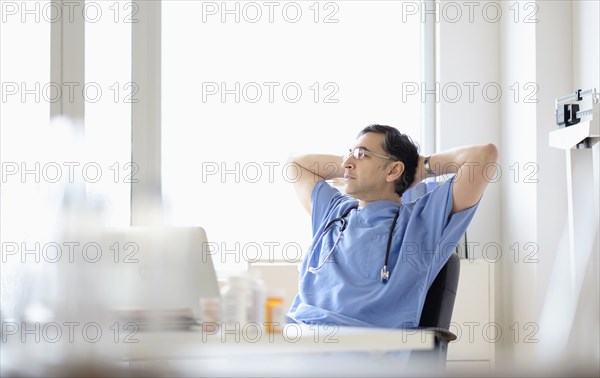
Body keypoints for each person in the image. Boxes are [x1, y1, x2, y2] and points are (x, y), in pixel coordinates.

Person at [286, 124, 498, 329]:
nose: (346, 163)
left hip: (362, 350)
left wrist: (421, 167)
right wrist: (355, 164)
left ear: (394, 169)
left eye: (361, 154)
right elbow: (296, 165)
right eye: (347, 155)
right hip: (297, 333)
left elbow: (484, 156)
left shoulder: (422, 220)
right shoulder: (334, 211)